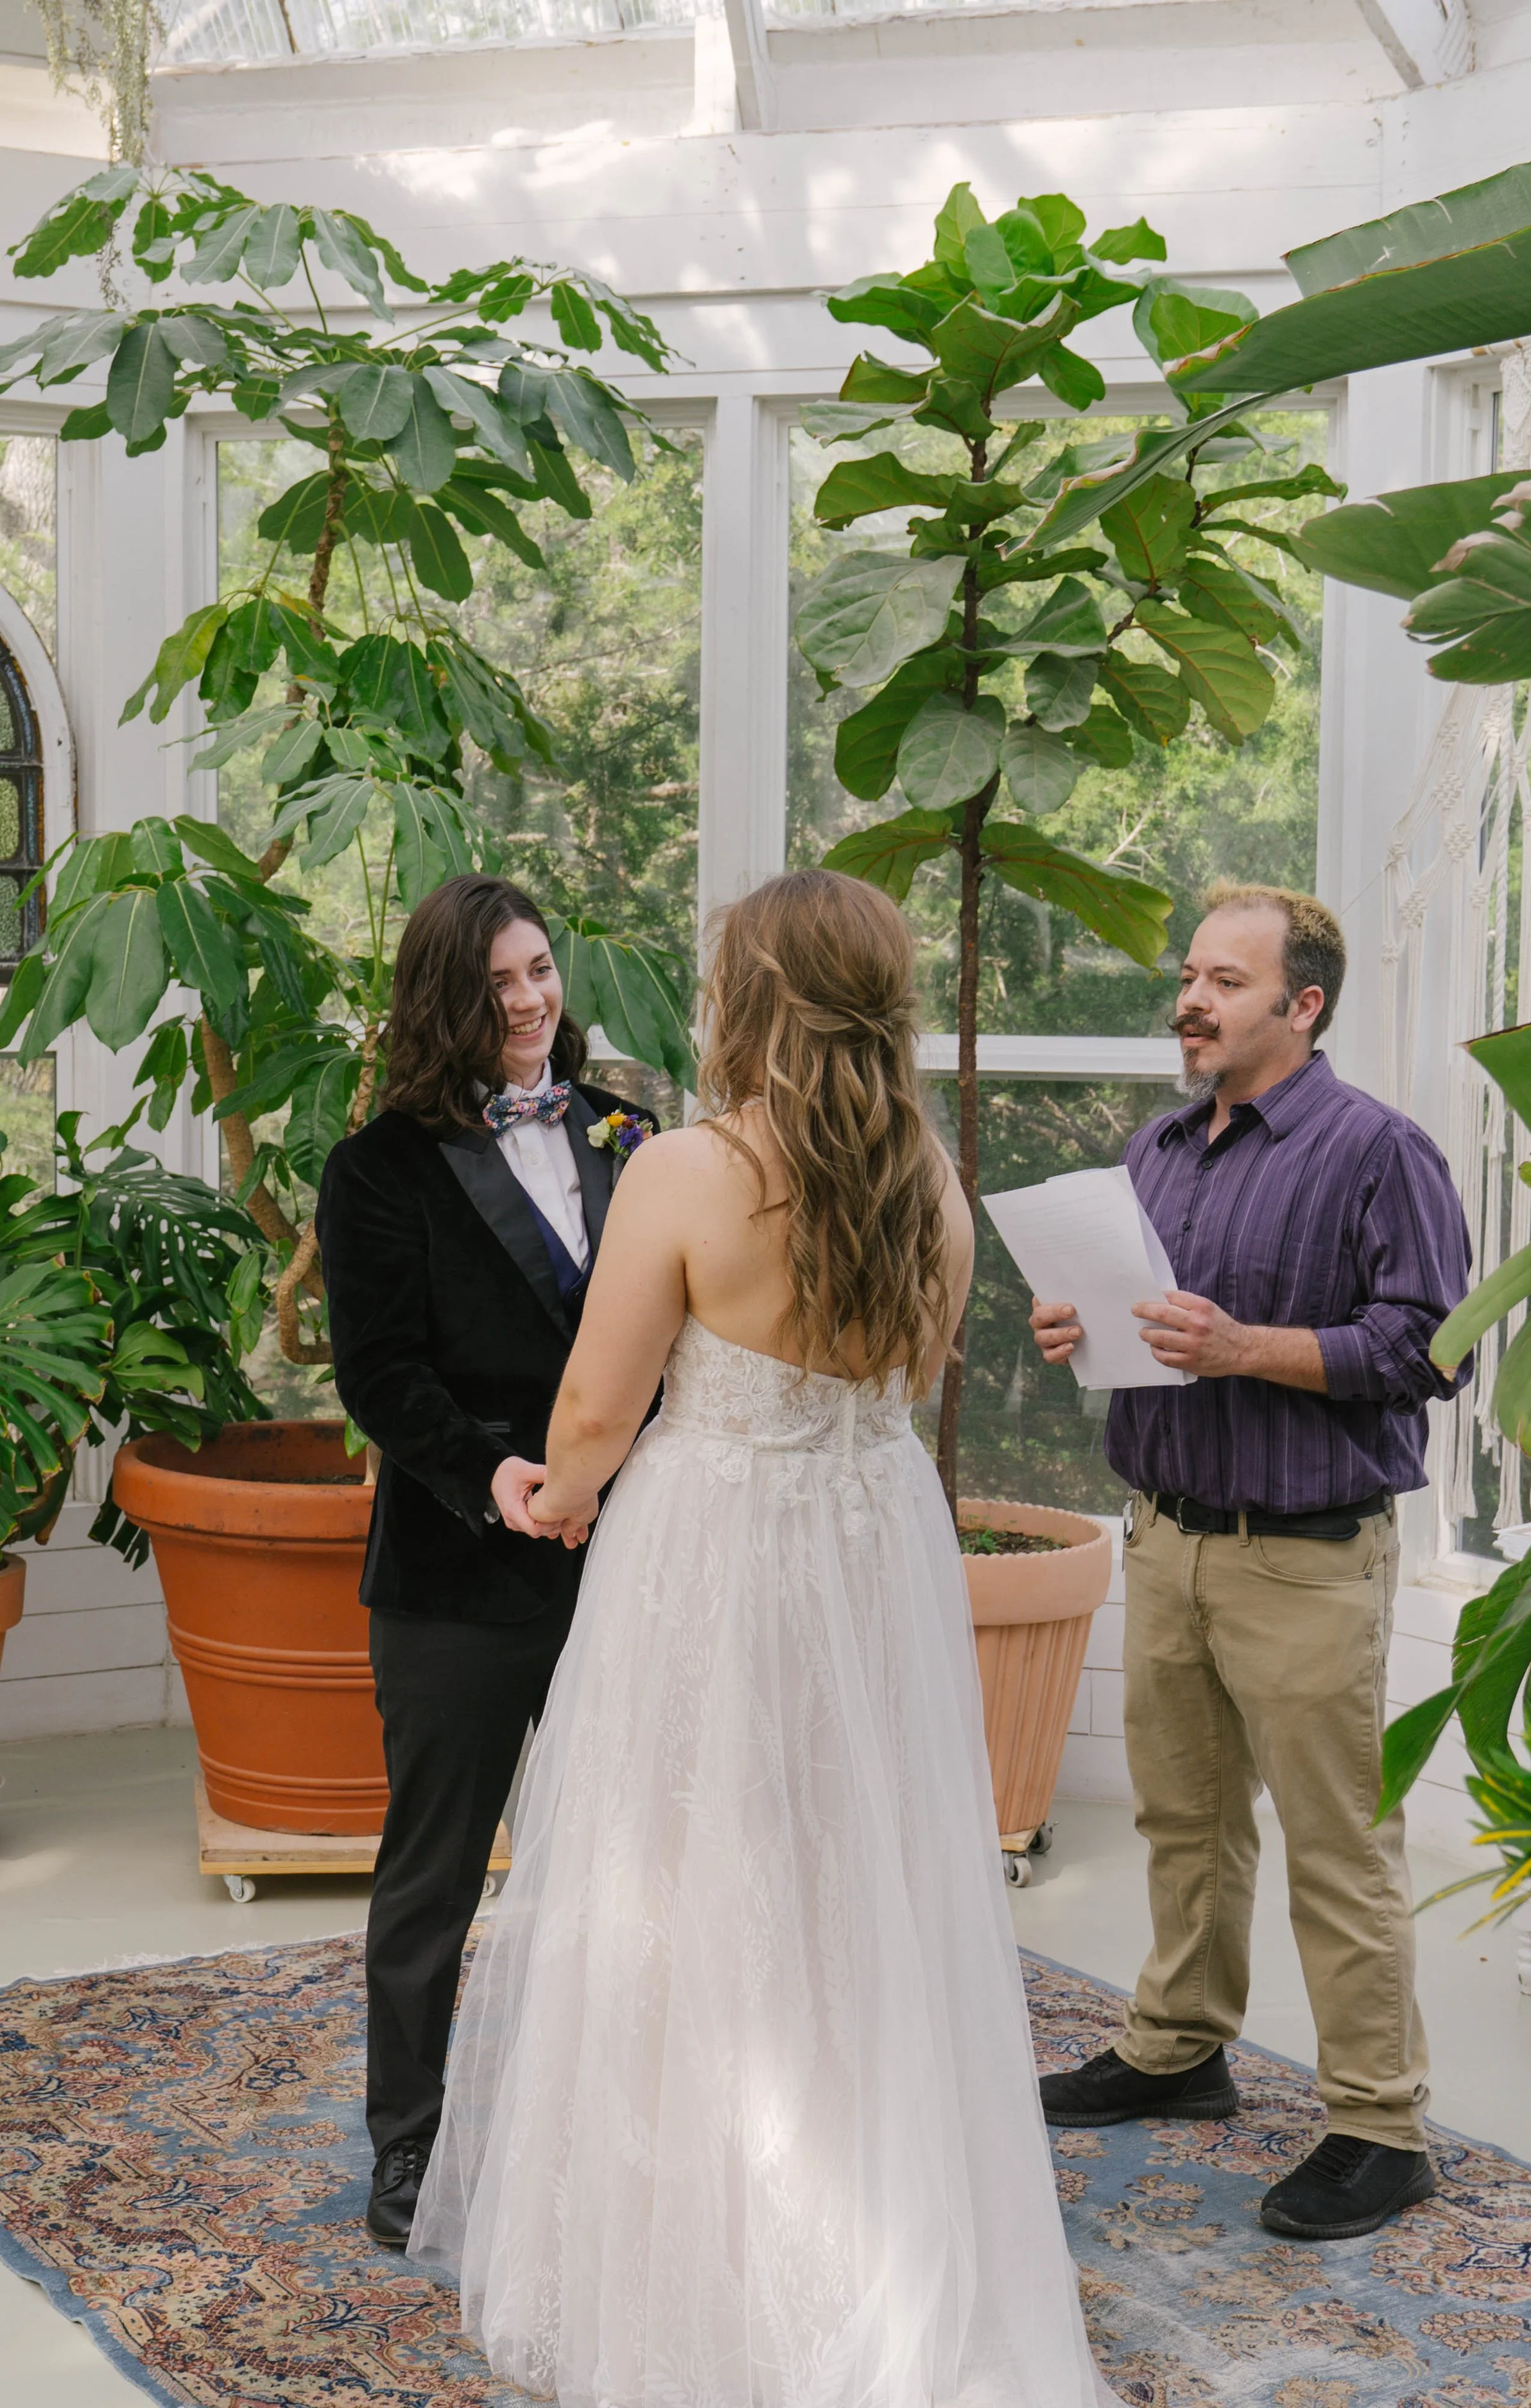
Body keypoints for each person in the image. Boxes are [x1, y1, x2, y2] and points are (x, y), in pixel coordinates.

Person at [410, 869, 1112, 2408]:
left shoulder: (685, 1169)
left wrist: (552, 1497)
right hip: (871, 1551)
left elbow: (593, 1410)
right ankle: (871, 2243)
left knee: (685, 1885)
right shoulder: (931, 1180)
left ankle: (705, 2283)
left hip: (715, 1557)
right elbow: (909, 1371)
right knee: (855, 1882)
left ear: (754, 997)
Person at [1029, 882, 1471, 2244]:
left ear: (1303, 1003)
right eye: (1189, 977)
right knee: (1185, 1821)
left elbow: (1428, 1348)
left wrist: (1245, 1348)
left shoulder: (1378, 1150)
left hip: (1304, 1558)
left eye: (1224, 981)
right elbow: (1144, 1328)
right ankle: (1179, 2046)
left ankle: (1380, 2127)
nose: (1191, 1000)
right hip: (1165, 1537)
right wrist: (1077, 1328)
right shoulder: (1155, 1150)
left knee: (1337, 1848)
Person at [316, 873, 659, 2251]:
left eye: (539, 970)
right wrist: (492, 1477)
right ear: (441, 1001)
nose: (528, 1002)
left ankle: (613, 2126)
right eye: (496, 982)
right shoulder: (375, 1170)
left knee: (625, 1861)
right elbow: (380, 1374)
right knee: (434, 1875)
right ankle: (409, 2141)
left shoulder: (635, 1137)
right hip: (457, 1575)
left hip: (626, 1560)